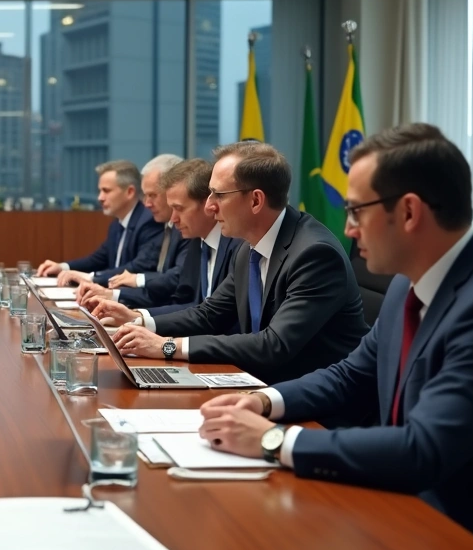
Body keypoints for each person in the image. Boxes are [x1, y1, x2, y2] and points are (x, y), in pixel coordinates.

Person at [198, 123, 473, 550]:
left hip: (466, 539)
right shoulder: (408, 281)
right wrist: (265, 401)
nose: (348, 230)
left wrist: (270, 439)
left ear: (409, 213)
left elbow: (423, 449)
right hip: (396, 503)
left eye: (356, 211)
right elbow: (351, 375)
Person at [106, 142, 368, 385]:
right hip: (256, 384)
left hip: (311, 405)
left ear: (255, 200)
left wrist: (168, 346)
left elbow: (273, 344)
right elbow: (209, 315)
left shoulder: (314, 255)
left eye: (218, 195)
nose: (209, 206)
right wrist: (139, 321)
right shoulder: (248, 247)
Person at [79, 158, 242, 316]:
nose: (173, 218)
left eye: (179, 208)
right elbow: (190, 304)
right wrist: (137, 318)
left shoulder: (235, 246)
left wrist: (140, 320)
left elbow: (210, 314)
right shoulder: (197, 239)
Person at [34, 159, 163, 286]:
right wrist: (62, 267)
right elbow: (98, 259)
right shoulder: (117, 224)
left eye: (106, 191)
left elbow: (137, 268)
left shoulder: (148, 221)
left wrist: (91, 278)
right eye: (100, 191)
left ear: (130, 192)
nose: (100, 198)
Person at [84, 154, 190, 307]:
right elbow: (161, 287)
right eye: (145, 196)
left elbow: (175, 283)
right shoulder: (169, 226)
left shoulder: (184, 229)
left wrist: (127, 291)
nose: (147, 204)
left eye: (153, 195)